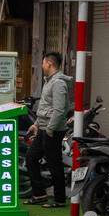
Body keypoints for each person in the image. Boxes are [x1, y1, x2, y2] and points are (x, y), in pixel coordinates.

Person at [25, 51, 73, 207]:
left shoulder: (58, 83)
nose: (42, 65)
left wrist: (50, 129)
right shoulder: (49, 81)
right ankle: (39, 194)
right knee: (31, 157)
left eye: (43, 62)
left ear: (50, 64)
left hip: (53, 130)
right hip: (44, 128)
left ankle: (59, 199)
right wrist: (37, 124)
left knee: (54, 164)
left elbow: (60, 110)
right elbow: (46, 107)